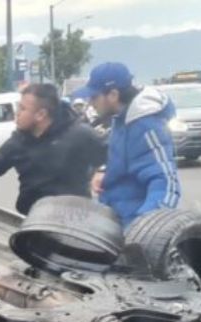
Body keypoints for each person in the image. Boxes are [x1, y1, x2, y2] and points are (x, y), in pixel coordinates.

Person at [0, 84, 108, 214]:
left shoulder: (80, 134)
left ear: (40, 114)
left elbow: (112, 158)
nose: (17, 114)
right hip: (33, 219)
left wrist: (102, 171)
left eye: (22, 109)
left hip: (73, 219)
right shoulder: (18, 142)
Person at [74, 62, 181, 226]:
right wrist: (104, 171)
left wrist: (144, 226)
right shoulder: (121, 119)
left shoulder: (146, 126)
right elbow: (126, 161)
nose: (90, 103)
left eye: (94, 97)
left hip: (134, 227)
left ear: (113, 95)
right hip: (115, 219)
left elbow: (166, 182)